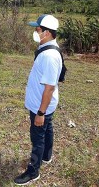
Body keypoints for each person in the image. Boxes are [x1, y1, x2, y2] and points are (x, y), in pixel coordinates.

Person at [14, 14, 62, 185]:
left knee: (37, 138)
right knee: (47, 129)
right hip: (44, 104)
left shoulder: (49, 56)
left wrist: (41, 112)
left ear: (47, 33)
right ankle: (47, 156)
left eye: (38, 29)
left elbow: (49, 87)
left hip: (41, 106)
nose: (35, 32)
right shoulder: (47, 49)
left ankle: (33, 172)